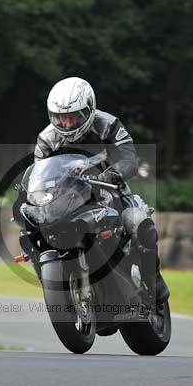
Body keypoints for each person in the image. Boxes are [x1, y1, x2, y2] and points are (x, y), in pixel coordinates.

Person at [31, 76, 170, 305]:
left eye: (73, 116)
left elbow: (129, 160)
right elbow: (41, 174)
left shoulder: (108, 124)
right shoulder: (46, 140)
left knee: (139, 221)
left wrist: (110, 175)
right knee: (34, 231)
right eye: (61, 118)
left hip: (111, 191)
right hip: (69, 198)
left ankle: (152, 278)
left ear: (88, 109)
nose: (67, 123)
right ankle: (55, 286)